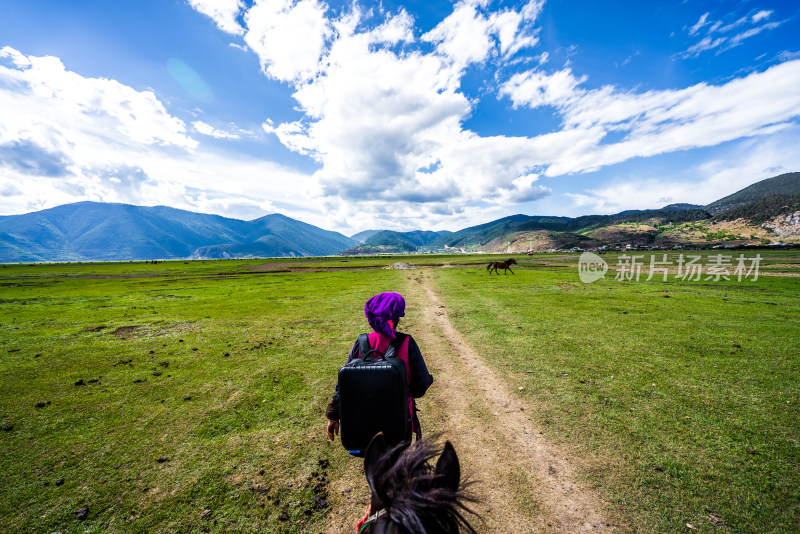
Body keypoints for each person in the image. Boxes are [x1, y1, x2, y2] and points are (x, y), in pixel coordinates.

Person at [326, 292, 433, 443]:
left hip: (364, 419)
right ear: (396, 318)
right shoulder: (408, 343)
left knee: (371, 458)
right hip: (400, 419)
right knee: (399, 459)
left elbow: (343, 384)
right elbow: (421, 385)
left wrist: (333, 416)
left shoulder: (360, 343)